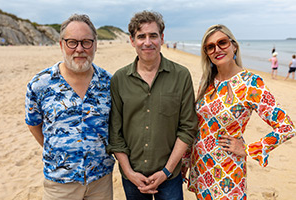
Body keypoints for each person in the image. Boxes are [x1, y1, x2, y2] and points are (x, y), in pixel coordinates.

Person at [182, 24, 295, 200]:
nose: (217, 49)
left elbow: (286, 126)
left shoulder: (251, 83)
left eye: (222, 43)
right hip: (201, 168)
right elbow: (198, 125)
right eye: (210, 47)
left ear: (234, 45)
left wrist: (249, 149)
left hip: (227, 172)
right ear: (206, 53)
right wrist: (184, 163)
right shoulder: (207, 81)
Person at [106, 10, 198, 200]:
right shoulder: (119, 79)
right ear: (132, 41)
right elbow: (115, 133)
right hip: (132, 177)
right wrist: (130, 173)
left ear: (162, 38)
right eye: (141, 36)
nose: (147, 42)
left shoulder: (181, 75)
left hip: (170, 176)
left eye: (153, 36)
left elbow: (188, 128)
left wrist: (166, 171)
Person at [25, 14, 115, 200]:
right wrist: (58, 150)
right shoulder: (40, 84)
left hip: (101, 182)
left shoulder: (110, 83)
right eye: (72, 42)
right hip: (59, 184)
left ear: (95, 44)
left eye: (86, 42)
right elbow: (34, 124)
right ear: (61, 45)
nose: (79, 49)